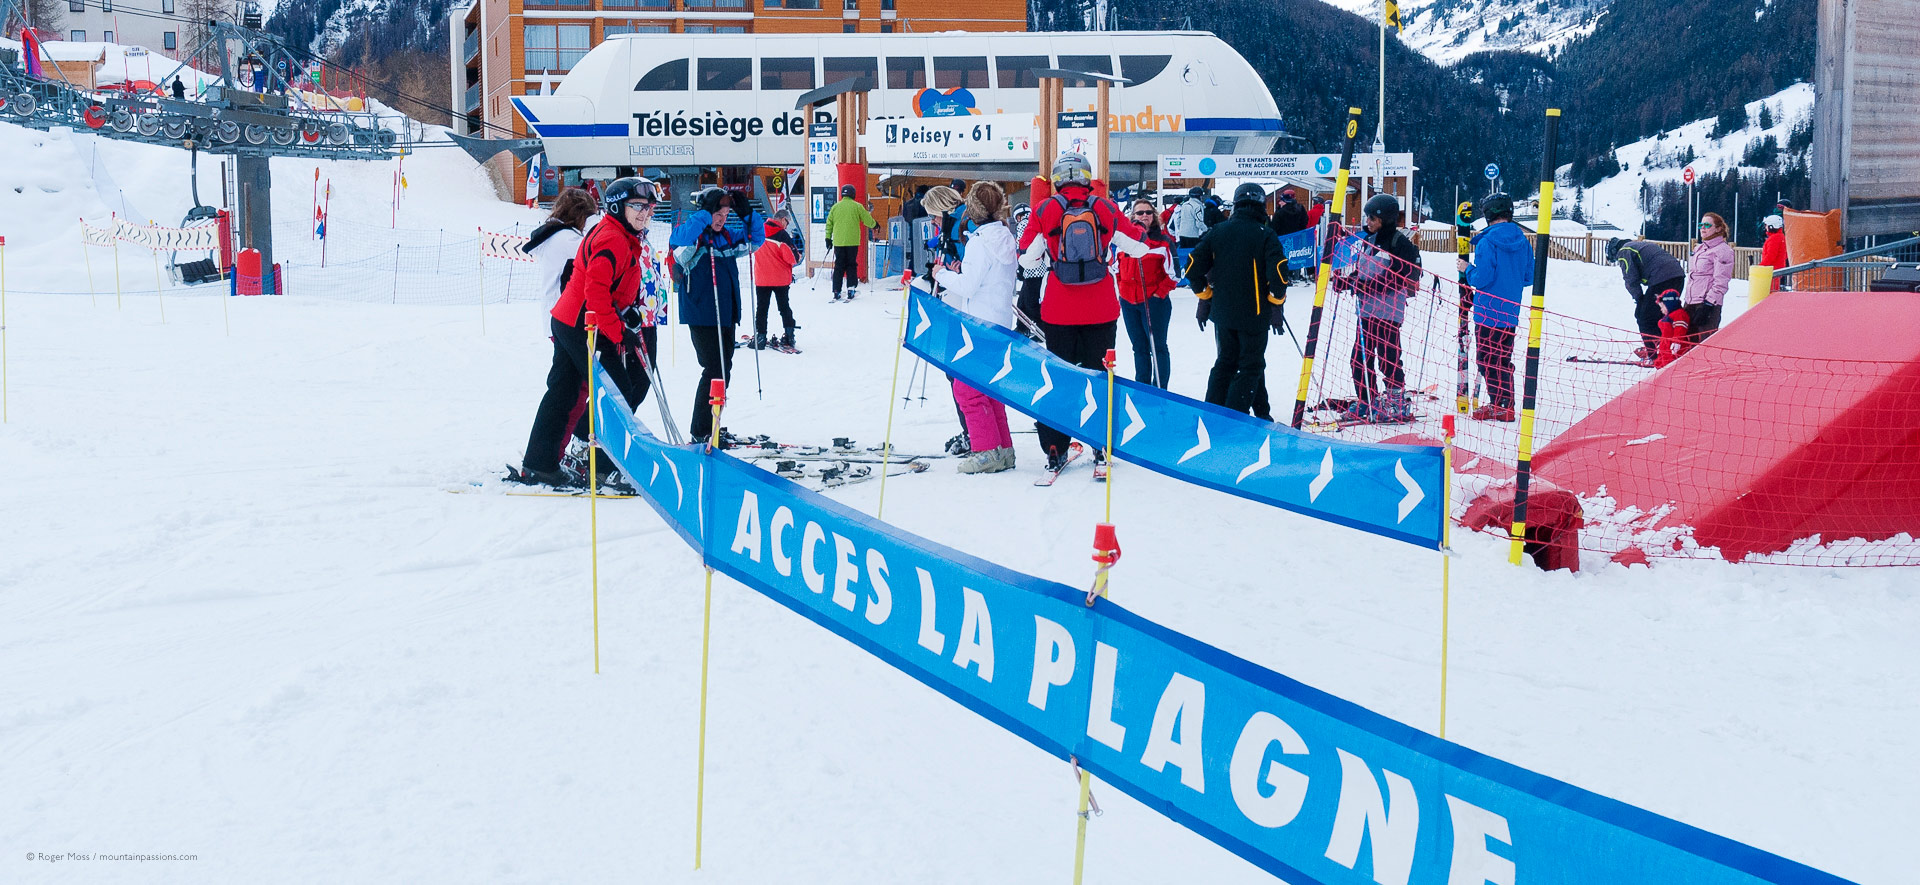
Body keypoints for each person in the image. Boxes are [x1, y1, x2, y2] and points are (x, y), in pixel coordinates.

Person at [515, 177, 662, 488]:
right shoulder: (613, 238)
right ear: (618, 207)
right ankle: (601, 465)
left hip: (576, 320)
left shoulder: (621, 234)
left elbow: (609, 286)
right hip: (584, 322)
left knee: (565, 391)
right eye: (636, 206)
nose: (643, 213)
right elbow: (595, 292)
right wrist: (619, 334)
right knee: (617, 393)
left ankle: (540, 462)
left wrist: (625, 312)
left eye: (647, 208)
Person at [1017, 153, 1150, 474]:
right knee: (1101, 378)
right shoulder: (1103, 207)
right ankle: (1102, 444)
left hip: (1058, 311)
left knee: (1060, 379)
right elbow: (1139, 246)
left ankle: (1054, 446)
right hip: (1101, 309)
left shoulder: (1046, 209)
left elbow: (1026, 259)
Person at [931, 182, 1019, 474]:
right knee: (988, 388)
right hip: (999, 321)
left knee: (967, 389)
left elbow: (969, 286)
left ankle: (986, 450)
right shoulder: (1003, 235)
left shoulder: (979, 241)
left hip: (979, 324)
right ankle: (1002, 448)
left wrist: (941, 274)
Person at [1187, 183, 1288, 415]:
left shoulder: (1218, 231)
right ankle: (1234, 420)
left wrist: (1206, 295)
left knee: (1225, 362)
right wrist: (1276, 303)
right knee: (1250, 366)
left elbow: (1192, 268)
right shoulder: (1265, 234)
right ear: (1261, 205)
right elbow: (1279, 274)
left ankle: (1214, 413)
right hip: (1255, 314)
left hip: (1223, 313)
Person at [672, 187, 761, 443]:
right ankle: (700, 430)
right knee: (713, 369)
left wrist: (747, 215)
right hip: (702, 314)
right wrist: (703, 214)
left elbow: (756, 240)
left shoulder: (729, 238)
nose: (721, 219)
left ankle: (712, 423)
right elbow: (680, 245)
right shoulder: (693, 239)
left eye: (725, 214)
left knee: (724, 370)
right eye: (717, 214)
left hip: (726, 313)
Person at [1338, 193, 1423, 422]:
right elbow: (1365, 271)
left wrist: (1366, 285)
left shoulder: (1399, 243)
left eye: (1372, 218)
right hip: (1366, 312)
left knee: (1389, 357)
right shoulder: (1370, 241)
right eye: (1367, 217)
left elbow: (1402, 277)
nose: (1368, 222)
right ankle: (1367, 400)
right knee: (1359, 359)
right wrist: (1347, 281)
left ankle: (1396, 402)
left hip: (1387, 313)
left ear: (1385, 218)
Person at [1457, 193, 1530, 422]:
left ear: (1488, 214)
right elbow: (1528, 276)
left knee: (1487, 359)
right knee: (1502, 357)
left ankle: (1500, 403)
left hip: (1488, 311)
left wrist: (1467, 269)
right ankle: (1505, 402)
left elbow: (1482, 278)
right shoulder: (1523, 240)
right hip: (1510, 312)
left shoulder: (1487, 241)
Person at [1116, 198, 1178, 388]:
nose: (1144, 216)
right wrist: (1122, 288)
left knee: (1157, 347)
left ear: (1154, 216)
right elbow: (1116, 268)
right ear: (1132, 216)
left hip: (1153, 301)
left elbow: (1174, 274)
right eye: (1139, 213)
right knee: (1139, 348)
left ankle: (1160, 388)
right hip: (1129, 301)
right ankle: (1142, 386)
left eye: (1148, 213)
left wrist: (1159, 294)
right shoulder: (1123, 241)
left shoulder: (1163, 242)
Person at [1606, 236, 1687, 362]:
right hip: (1678, 276)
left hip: (1662, 278)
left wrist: (1639, 299)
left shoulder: (1624, 251)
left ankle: (1655, 355)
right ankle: (1668, 347)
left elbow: (1630, 280)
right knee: (1666, 314)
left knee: (1644, 317)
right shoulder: (1638, 245)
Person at [524, 187, 596, 314]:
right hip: (563, 311)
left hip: (554, 307)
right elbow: (594, 255)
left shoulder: (553, 233)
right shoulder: (567, 239)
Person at [750, 214, 801, 351]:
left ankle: (760, 336)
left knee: (761, 308)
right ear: (783, 219)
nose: (787, 225)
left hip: (762, 277)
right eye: (787, 222)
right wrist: (798, 256)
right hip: (780, 278)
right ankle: (789, 336)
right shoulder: (782, 235)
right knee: (784, 307)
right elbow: (793, 258)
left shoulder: (759, 230)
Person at [1685, 212, 1735, 346]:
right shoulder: (1699, 248)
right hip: (1691, 302)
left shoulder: (1722, 251)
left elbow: (1721, 281)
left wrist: (1708, 304)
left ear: (1718, 228)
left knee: (1704, 343)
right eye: (1701, 225)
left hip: (1707, 304)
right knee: (1687, 342)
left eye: (1707, 225)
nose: (1703, 228)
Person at [824, 184, 875, 301]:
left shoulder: (835, 207)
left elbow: (829, 223)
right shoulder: (857, 206)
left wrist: (828, 238)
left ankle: (836, 290)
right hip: (852, 242)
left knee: (839, 266)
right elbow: (867, 219)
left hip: (839, 241)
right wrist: (875, 224)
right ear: (853, 194)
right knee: (851, 264)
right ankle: (851, 288)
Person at [1168, 186, 1212, 286]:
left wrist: (1178, 231)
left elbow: (1178, 220)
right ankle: (1192, 278)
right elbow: (1199, 222)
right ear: (1199, 196)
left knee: (1184, 256)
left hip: (1182, 234)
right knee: (1194, 257)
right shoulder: (1197, 206)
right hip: (1192, 235)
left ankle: (1182, 276)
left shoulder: (1185, 205)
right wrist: (1207, 229)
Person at [1759, 214, 1788, 292]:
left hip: (1771, 270)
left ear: (1772, 227)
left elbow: (1770, 256)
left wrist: (1760, 266)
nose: (1765, 227)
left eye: (1766, 225)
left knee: (1770, 292)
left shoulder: (1774, 239)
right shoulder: (1781, 237)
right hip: (1778, 269)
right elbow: (1784, 255)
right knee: (1775, 290)